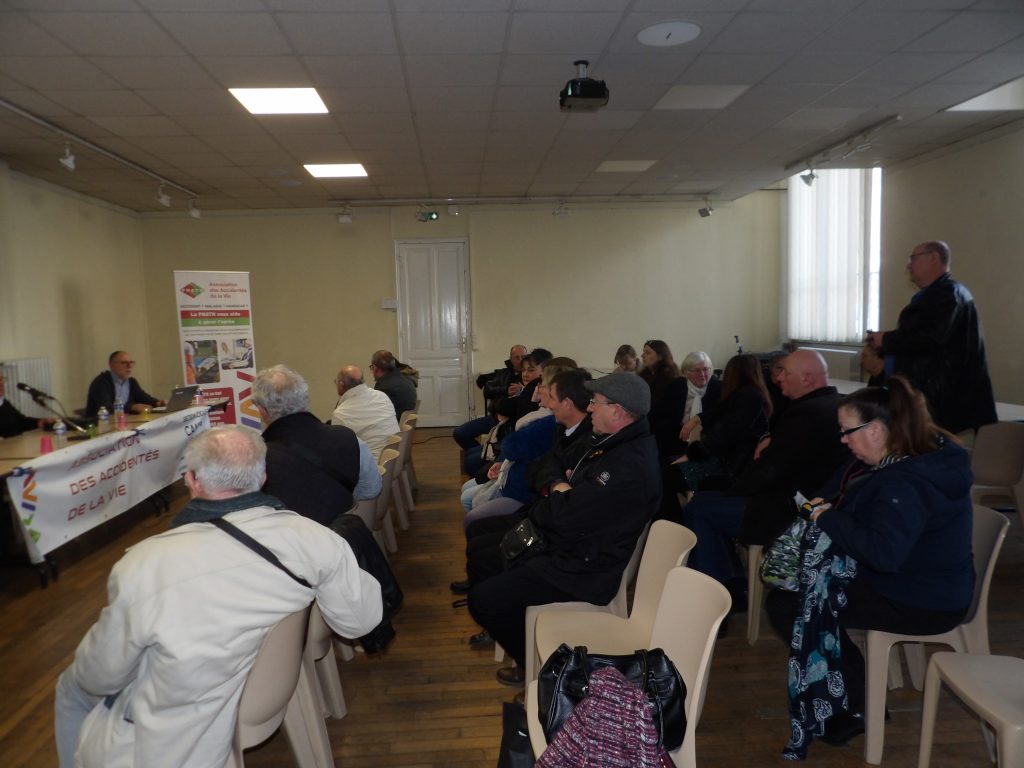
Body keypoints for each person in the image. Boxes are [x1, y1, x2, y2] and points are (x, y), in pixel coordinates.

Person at [53, 426, 383, 768]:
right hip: (270, 689)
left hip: (177, 734)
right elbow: (360, 621)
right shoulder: (314, 539)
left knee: (71, 687)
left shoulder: (143, 565)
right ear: (263, 477)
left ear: (192, 481)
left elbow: (100, 677)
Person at [767, 377, 974, 758]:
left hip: (922, 601)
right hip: (928, 584)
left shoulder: (904, 483)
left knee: (789, 601)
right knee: (807, 589)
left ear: (876, 430)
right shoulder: (925, 459)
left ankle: (858, 704)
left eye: (847, 431)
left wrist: (827, 518)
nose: (843, 440)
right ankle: (855, 693)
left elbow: (883, 554)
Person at [467, 372, 659, 686]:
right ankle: (521, 644)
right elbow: (554, 477)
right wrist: (559, 487)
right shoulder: (611, 442)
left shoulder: (628, 465)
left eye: (596, 402)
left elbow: (565, 514)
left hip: (585, 568)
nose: (590, 407)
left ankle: (541, 673)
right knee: (484, 557)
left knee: (485, 599)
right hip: (572, 547)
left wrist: (556, 492)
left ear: (618, 411)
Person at [683, 350, 848, 594]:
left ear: (806, 377)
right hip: (801, 499)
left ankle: (718, 589)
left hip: (788, 510)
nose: (778, 377)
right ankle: (729, 581)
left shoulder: (807, 414)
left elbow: (771, 470)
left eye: (785, 372)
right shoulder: (831, 405)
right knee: (705, 499)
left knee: (700, 507)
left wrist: (735, 489)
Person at [866, 240, 996, 435]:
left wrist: (886, 340)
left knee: (928, 448)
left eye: (913, 259)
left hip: (938, 396)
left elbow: (930, 337)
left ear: (933, 258)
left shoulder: (947, 293)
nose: (908, 265)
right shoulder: (937, 294)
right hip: (930, 392)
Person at [255, 365, 381, 527]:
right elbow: (372, 489)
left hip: (296, 540)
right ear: (305, 398)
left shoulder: (258, 460)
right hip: (345, 534)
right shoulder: (350, 438)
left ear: (262, 410)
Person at [670, 353, 771, 492]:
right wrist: (697, 418)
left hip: (731, 466)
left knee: (667, 476)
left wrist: (693, 454)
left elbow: (726, 433)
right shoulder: (746, 394)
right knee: (666, 469)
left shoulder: (748, 396)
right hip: (727, 458)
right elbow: (718, 413)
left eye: (706, 369)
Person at [331, 365, 400, 459]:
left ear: (341, 384)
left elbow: (339, 451)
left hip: (371, 465)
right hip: (394, 457)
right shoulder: (382, 396)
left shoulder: (341, 414)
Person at [85, 351, 164, 417]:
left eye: (131, 362)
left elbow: (143, 397)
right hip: (100, 425)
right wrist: (132, 407)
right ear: (112, 365)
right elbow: (106, 408)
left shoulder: (131, 382)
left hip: (124, 422)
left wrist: (158, 403)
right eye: (124, 363)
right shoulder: (101, 382)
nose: (129, 366)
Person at [369, 349, 417, 418]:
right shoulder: (406, 378)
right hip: (402, 421)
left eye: (371, 367)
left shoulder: (384, 386)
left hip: (393, 422)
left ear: (375, 367)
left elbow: (376, 412)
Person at [0, 372, 49, 437]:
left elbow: (20, 422)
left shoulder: (3, 402)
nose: (1, 384)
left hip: (16, 442)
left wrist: (39, 422)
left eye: (1, 380)